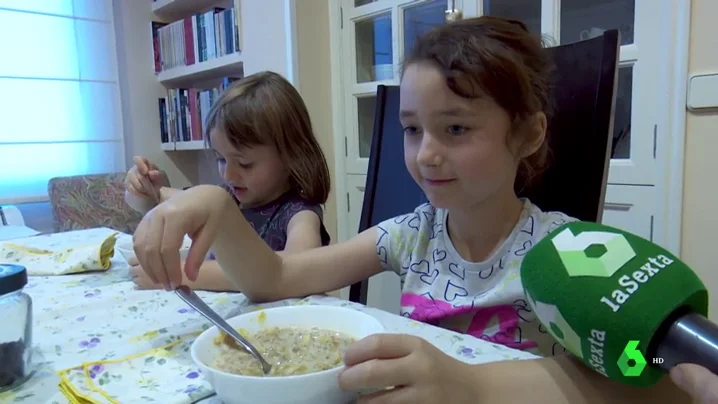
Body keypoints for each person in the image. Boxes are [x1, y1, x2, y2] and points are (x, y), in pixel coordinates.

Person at [132, 17, 689, 402]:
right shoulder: (407, 236)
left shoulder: (568, 255)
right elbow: (276, 278)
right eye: (412, 128)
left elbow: (659, 379)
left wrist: (473, 389)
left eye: (456, 128)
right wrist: (215, 207)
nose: (426, 154)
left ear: (526, 134)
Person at [125, 71, 331, 292]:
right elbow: (150, 203)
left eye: (245, 164)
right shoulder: (226, 196)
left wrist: (182, 274)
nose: (228, 175)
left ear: (290, 155)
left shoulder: (298, 214)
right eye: (221, 159)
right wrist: (142, 186)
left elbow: (296, 270)